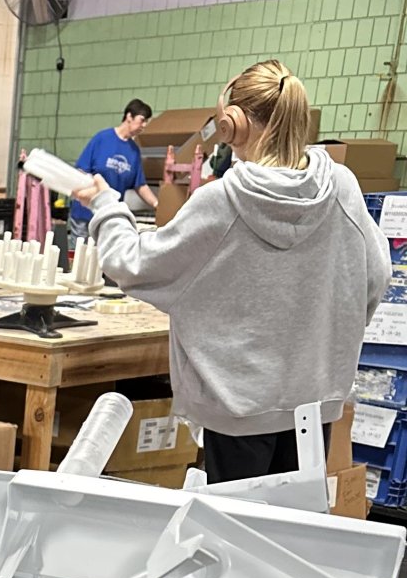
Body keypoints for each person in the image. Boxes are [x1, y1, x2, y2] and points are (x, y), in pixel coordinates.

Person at [79, 59, 391, 484]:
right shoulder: (343, 188)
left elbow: (131, 265)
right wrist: (321, 346)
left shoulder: (223, 201)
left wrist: (106, 206)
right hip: (314, 409)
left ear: (232, 124)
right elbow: (376, 277)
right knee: (291, 522)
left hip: (237, 410)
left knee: (232, 524)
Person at [68, 99, 159, 242]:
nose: (144, 125)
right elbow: (81, 170)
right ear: (129, 116)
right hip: (85, 214)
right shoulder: (102, 139)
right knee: (79, 253)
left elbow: (140, 185)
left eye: (146, 122)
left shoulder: (134, 151)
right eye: (142, 120)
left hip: (108, 217)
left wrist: (157, 204)